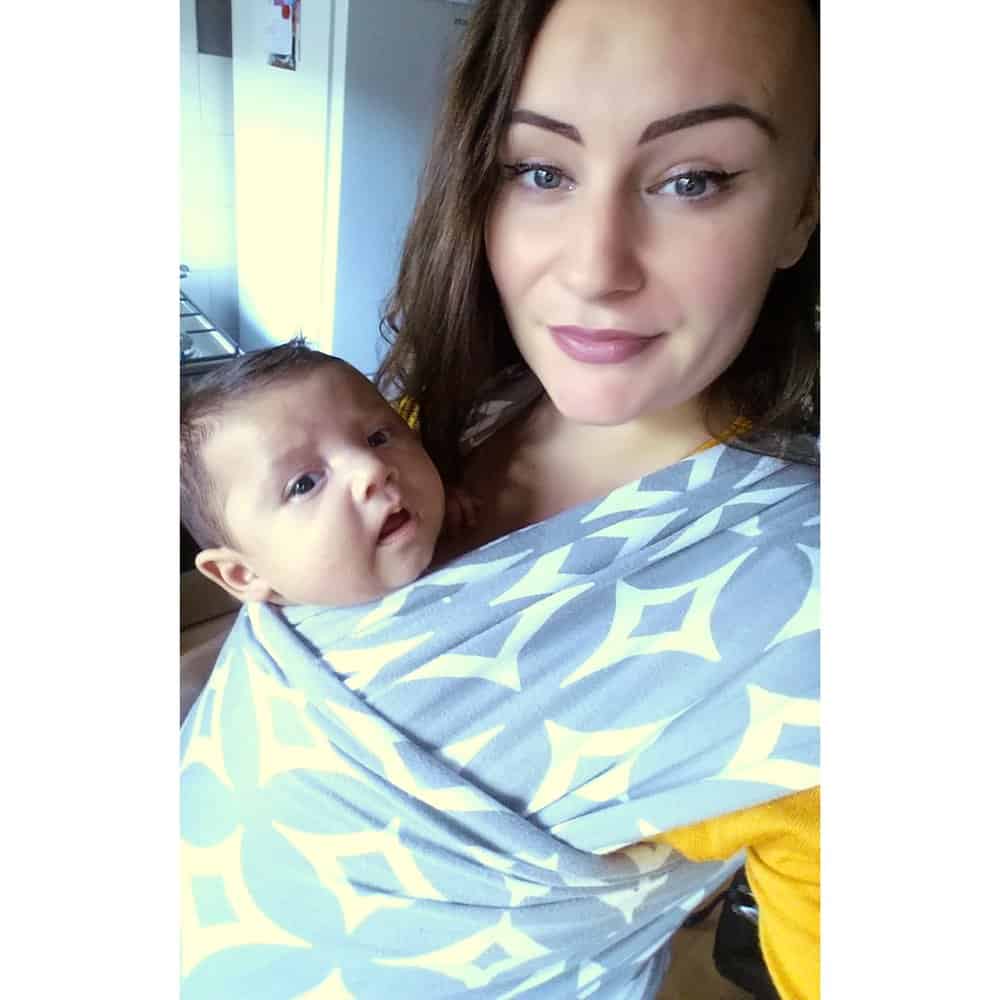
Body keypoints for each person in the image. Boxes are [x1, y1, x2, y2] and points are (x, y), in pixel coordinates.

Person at [180, 2, 820, 998]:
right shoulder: (435, 418)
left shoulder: (809, 622)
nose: (594, 270)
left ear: (803, 209)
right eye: (540, 171)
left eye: (693, 178)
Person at [180, 341, 473, 609]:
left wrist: (438, 509)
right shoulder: (275, 650)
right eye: (304, 484)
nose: (372, 468)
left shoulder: (458, 524)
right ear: (244, 574)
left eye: (378, 438)